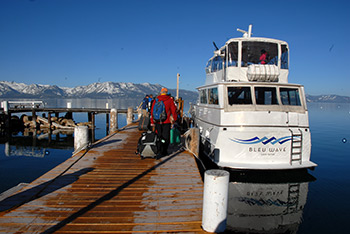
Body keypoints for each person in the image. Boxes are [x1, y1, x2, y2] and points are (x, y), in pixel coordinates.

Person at [150, 87, 178, 156]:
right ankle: (164, 151)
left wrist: (152, 121)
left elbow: (152, 111)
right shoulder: (170, 100)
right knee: (166, 136)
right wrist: (174, 119)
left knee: (159, 135)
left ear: (161, 92)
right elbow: (174, 110)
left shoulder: (156, 100)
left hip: (157, 121)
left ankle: (159, 150)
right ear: (166, 93)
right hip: (167, 121)